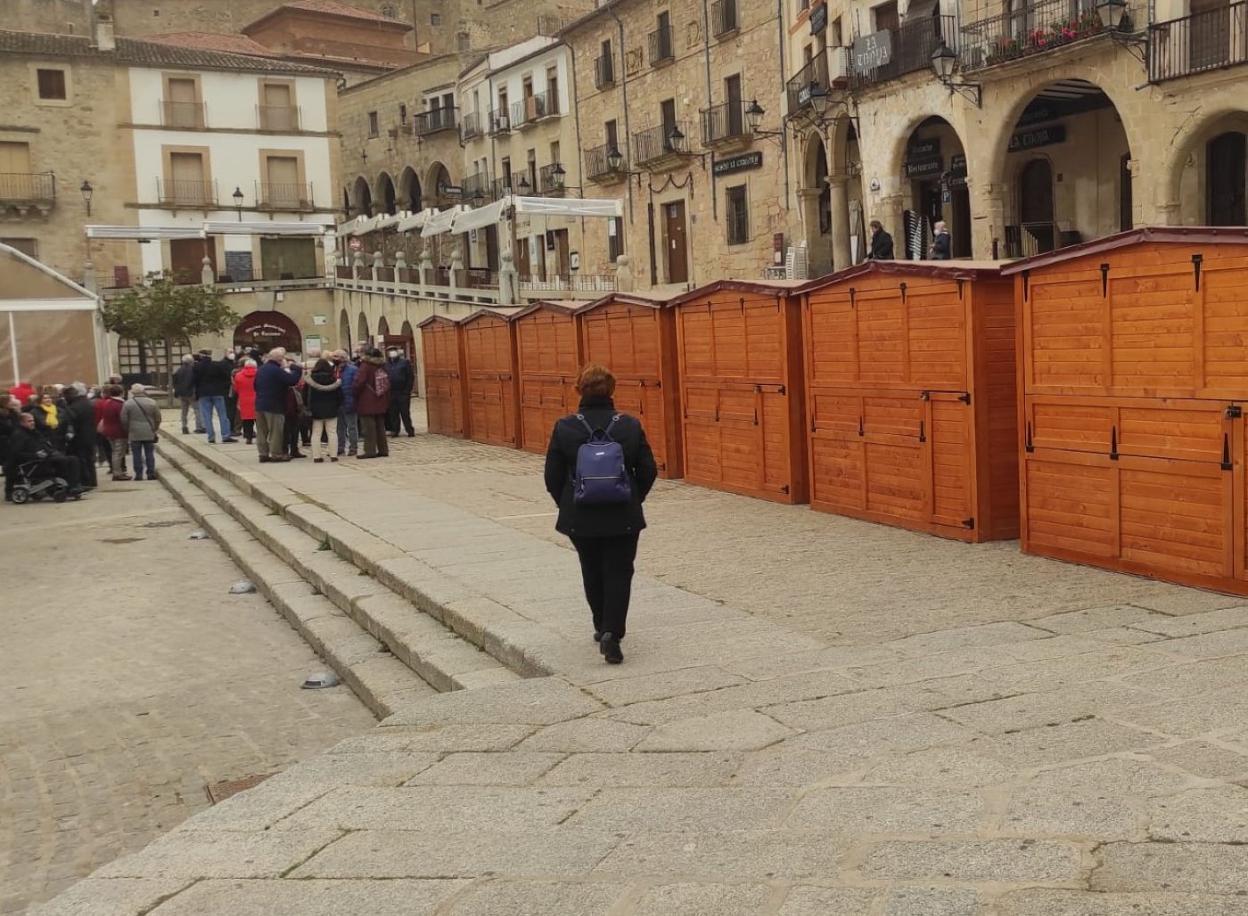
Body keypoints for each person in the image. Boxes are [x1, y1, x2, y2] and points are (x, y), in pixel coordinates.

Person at [543, 364, 658, 665]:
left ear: (578, 390)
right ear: (612, 390)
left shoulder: (565, 427)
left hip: (581, 515)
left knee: (591, 568)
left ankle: (600, 624)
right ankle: (612, 632)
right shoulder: (628, 425)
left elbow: (552, 476)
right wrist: (634, 497)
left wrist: (566, 503)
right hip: (623, 515)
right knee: (619, 571)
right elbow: (648, 469)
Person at [5, 410, 84, 499]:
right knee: (64, 460)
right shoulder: (18, 435)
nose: (33, 423)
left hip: (44, 459)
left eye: (33, 420)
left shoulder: (34, 432)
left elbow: (44, 444)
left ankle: (74, 485)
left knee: (73, 459)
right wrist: (35, 455)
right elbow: (16, 454)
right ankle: (71, 486)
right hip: (33, 464)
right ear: (22, 423)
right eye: (29, 421)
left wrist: (51, 452)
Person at [253, 348, 302, 463]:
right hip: (274, 405)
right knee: (276, 431)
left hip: (260, 404)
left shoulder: (261, 369)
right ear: (280, 359)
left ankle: (263, 454)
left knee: (261, 431)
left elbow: (255, 386)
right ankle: (276, 454)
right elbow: (292, 380)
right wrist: (296, 368)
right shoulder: (276, 370)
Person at [352, 347, 391, 459]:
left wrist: (354, 392)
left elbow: (359, 382)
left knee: (368, 428)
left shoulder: (365, 366)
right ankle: (383, 449)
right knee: (380, 427)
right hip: (380, 398)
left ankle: (370, 450)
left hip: (367, 400)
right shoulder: (382, 365)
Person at [193, 349, 237, 444]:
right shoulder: (217, 365)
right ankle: (225, 435)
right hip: (218, 392)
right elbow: (226, 378)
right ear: (210, 355)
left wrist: (196, 393)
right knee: (223, 415)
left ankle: (211, 437)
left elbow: (194, 381)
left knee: (207, 416)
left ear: (201, 356)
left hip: (203, 393)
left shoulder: (197, 367)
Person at [121, 383, 162, 481]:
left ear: (132, 392)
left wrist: (127, 429)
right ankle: (151, 473)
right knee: (149, 453)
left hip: (134, 431)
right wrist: (155, 428)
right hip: (148, 430)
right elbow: (158, 418)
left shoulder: (128, 404)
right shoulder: (152, 402)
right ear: (143, 391)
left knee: (136, 454)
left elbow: (124, 419)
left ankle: (138, 474)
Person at [62, 384, 98, 490]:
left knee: (82, 459)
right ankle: (92, 480)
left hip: (79, 436)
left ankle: (86, 481)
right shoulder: (88, 403)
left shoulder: (73, 407)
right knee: (89, 458)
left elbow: (72, 422)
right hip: (90, 434)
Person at [306, 357, 342, 463]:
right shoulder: (333, 380)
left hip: (315, 410)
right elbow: (340, 396)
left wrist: (308, 407)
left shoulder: (310, 379)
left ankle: (317, 456)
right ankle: (333, 455)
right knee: (332, 432)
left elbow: (305, 396)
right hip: (332, 409)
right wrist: (337, 405)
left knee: (316, 433)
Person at [94, 385, 128, 479]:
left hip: (108, 430)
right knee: (118, 453)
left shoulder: (107, 403)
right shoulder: (119, 404)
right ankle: (117, 473)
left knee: (114, 452)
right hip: (119, 431)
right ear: (121, 393)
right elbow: (123, 419)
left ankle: (117, 471)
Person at [334, 350, 360, 458]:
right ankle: (340, 447)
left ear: (342, 358)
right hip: (337, 402)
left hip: (349, 400)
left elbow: (357, 385)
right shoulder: (334, 369)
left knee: (351, 426)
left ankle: (353, 447)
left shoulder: (353, 369)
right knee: (339, 427)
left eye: (336, 356)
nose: (334, 358)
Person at [384, 347, 415, 437]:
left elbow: (410, 377)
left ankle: (409, 430)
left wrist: (407, 390)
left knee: (405, 412)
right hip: (391, 392)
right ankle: (395, 430)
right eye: (389, 351)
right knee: (393, 413)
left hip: (402, 392)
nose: (392, 353)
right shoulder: (386, 364)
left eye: (393, 350)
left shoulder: (404, 362)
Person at [282, 364, 308, 459]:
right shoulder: (284, 388)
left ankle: (294, 450)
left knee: (294, 431)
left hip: (294, 411)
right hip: (286, 411)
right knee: (286, 432)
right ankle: (285, 451)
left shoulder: (294, 388)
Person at [172, 354, 201, 434]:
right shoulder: (193, 370)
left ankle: (184, 426)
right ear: (191, 361)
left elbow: (175, 382)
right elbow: (194, 381)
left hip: (181, 393)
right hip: (191, 393)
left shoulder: (179, 370)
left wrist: (177, 391)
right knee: (197, 410)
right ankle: (199, 427)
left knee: (184, 411)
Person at [233, 358, 258, 444]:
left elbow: (236, 388)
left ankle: (248, 437)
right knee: (259, 420)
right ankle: (261, 437)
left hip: (244, 400)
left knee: (247, 420)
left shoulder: (238, 375)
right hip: (257, 398)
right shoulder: (259, 374)